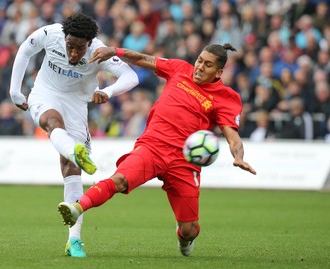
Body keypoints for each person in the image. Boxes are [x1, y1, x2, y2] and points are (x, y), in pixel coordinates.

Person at [57, 43, 256, 257]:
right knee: (120, 180)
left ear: (218, 72)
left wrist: (238, 157)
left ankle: (184, 238)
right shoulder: (180, 69)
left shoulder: (226, 98)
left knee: (189, 230)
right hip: (152, 146)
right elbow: (144, 59)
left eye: (207, 65)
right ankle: (78, 207)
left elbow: (232, 136)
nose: (199, 67)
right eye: (199, 60)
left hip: (184, 162)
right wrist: (116, 51)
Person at [9, 13, 139, 258]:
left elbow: (130, 77)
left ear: (90, 43)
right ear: (64, 37)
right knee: (51, 122)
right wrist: (15, 91)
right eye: (70, 46)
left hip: (77, 103)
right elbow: (25, 50)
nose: (73, 53)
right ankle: (73, 150)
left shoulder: (99, 51)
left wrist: (108, 92)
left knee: (71, 168)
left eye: (80, 48)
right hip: (45, 93)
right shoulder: (50, 34)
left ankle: (74, 241)